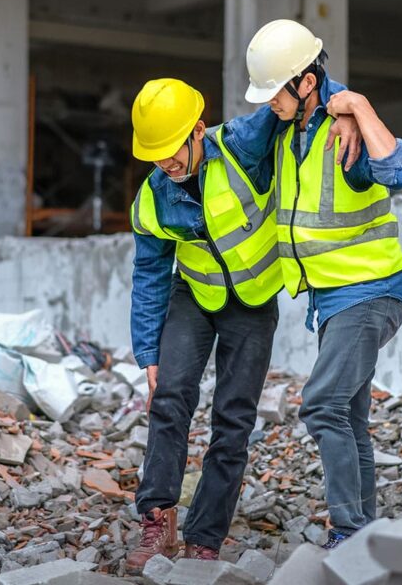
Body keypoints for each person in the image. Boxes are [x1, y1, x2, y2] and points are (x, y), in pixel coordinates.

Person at [245, 19, 402, 549]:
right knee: (350, 416)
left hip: (369, 292)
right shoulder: (291, 126)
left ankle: (348, 531)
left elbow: (399, 171)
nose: (269, 103)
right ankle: (365, 533)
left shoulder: (345, 130)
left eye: (275, 92)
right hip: (333, 298)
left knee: (321, 405)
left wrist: (358, 108)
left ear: (306, 84)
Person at [123, 77, 286, 574]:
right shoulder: (153, 197)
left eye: (172, 151)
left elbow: (290, 95)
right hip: (194, 294)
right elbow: (150, 274)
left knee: (233, 420)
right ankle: (158, 519)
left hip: (253, 301)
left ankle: (205, 537)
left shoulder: (240, 145)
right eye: (154, 156)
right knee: (169, 397)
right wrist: (147, 353)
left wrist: (348, 103)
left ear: (198, 131)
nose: (166, 165)